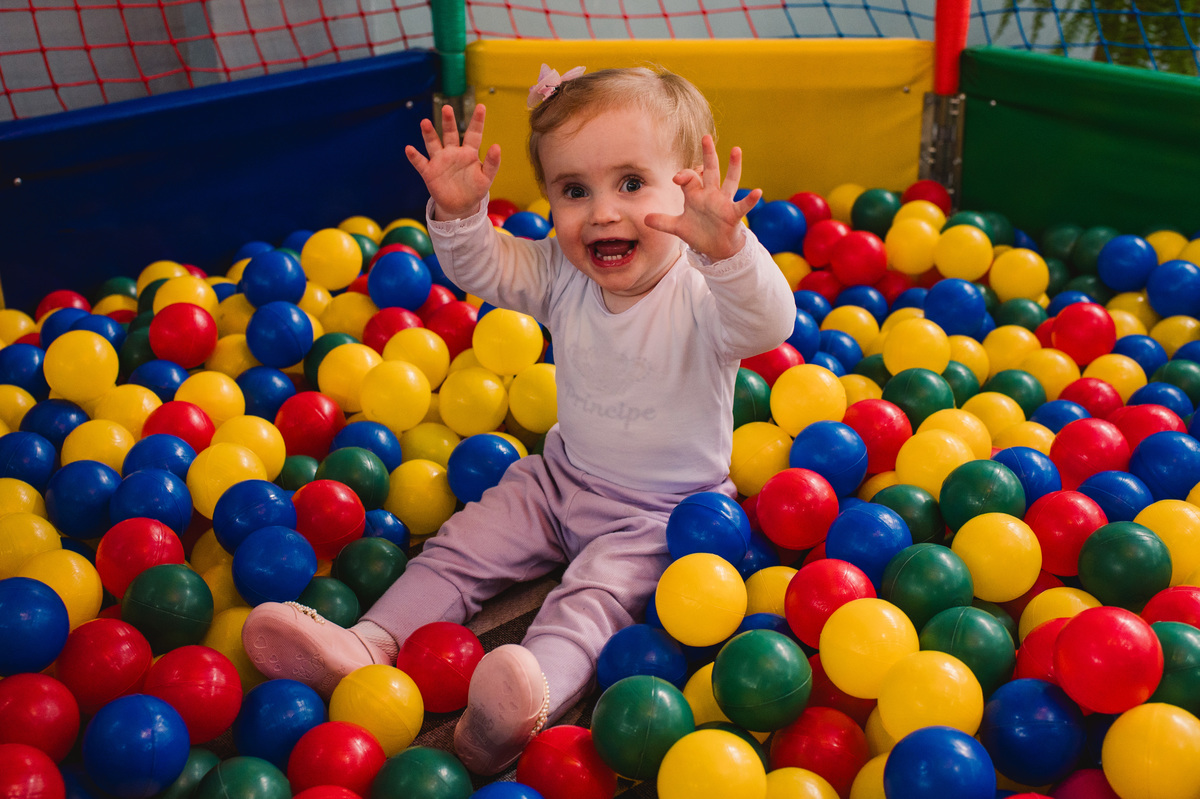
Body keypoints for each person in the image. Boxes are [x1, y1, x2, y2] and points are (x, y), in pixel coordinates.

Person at [242, 63, 795, 775]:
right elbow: (488, 268)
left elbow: (769, 320)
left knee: (594, 601)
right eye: (574, 190)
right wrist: (461, 214)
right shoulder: (565, 273)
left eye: (631, 183)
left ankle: (518, 700)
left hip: (664, 511)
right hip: (560, 478)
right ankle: (369, 639)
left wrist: (730, 251)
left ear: (687, 183)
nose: (601, 213)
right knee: (462, 543)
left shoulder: (701, 292)